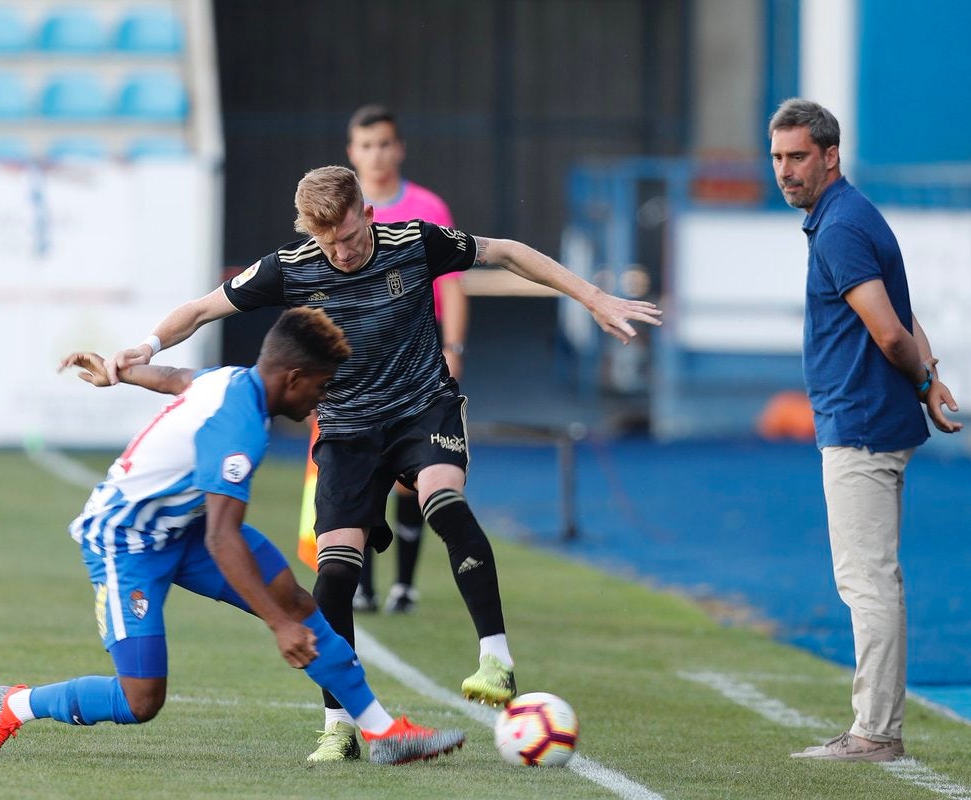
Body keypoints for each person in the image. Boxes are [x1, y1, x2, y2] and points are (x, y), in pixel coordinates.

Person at [104, 165, 662, 762]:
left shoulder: (416, 242)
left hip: (424, 407)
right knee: (336, 573)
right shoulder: (289, 267)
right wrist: (146, 346)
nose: (341, 252)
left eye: (349, 235)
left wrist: (593, 296)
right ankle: (338, 723)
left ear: (367, 213)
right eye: (328, 242)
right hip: (346, 432)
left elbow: (508, 252)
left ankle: (496, 660)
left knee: (443, 502)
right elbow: (201, 310)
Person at [0, 308, 465, 766]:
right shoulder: (239, 428)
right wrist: (277, 626)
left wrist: (120, 372)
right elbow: (223, 540)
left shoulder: (231, 380)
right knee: (141, 700)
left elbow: (179, 379)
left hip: (185, 525)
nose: (323, 396)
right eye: (321, 384)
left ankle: (383, 733)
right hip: (125, 542)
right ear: (293, 378)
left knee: (295, 599)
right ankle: (11, 705)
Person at [768, 99, 963, 763]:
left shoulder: (842, 228)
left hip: (860, 423)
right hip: (867, 418)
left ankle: (876, 733)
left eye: (797, 157)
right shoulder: (852, 215)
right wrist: (931, 377)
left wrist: (918, 380)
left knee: (868, 582)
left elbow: (886, 329)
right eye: (777, 157)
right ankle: (876, 727)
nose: (785, 171)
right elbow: (904, 317)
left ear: (830, 156)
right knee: (876, 580)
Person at [344, 103, 466, 615]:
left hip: (416, 360)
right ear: (352, 152)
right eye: (366, 145)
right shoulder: (339, 207)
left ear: (399, 148)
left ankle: (404, 585)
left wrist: (453, 351)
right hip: (357, 363)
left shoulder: (428, 206)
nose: (376, 154)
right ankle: (364, 586)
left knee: (412, 472)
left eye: (384, 144)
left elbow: (452, 286)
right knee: (360, 468)